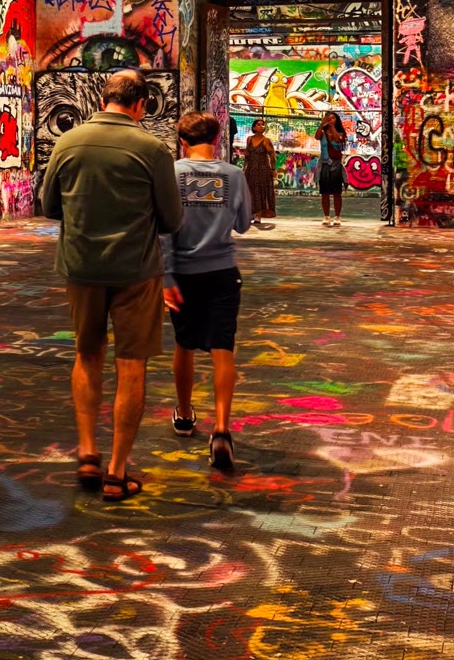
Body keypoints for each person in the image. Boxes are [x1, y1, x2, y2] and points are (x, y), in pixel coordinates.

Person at [40, 69, 183, 502]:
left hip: (81, 266)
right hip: (136, 271)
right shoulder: (152, 149)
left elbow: (49, 207)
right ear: (140, 105)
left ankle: (87, 451)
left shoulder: (68, 142)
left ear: (103, 99)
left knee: (87, 355)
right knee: (131, 364)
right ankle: (117, 473)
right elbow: (172, 219)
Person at [162, 112, 252, 475]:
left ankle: (185, 414)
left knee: (184, 344)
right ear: (217, 139)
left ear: (182, 141)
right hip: (222, 272)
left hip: (182, 274)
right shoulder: (234, 175)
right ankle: (222, 431)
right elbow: (243, 224)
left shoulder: (171, 174)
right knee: (222, 348)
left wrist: (166, 275)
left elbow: (163, 229)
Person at [316, 108, 348, 225]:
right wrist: (322, 124)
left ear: (337, 120)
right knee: (324, 192)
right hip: (325, 164)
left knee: (336, 192)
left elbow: (338, 139)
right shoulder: (323, 132)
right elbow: (317, 137)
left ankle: (337, 216)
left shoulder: (340, 132)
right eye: (328, 118)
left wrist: (331, 126)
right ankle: (326, 216)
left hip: (336, 164)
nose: (330, 120)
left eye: (333, 118)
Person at [243, 117, 277, 226]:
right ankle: (250, 213)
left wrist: (273, 169)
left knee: (260, 191)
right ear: (253, 127)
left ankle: (258, 214)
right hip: (251, 169)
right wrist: (244, 168)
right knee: (250, 190)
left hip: (263, 169)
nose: (261, 126)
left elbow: (272, 155)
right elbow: (247, 155)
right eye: (258, 124)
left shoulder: (266, 140)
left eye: (262, 124)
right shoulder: (249, 139)